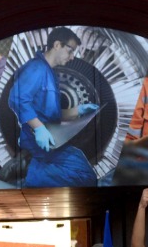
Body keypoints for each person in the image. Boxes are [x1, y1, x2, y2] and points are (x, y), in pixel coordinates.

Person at [6, 26, 98, 187]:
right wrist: (39, 128)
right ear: (57, 45)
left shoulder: (49, 73)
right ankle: (27, 172)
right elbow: (16, 98)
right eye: (70, 51)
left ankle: (30, 169)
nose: (72, 57)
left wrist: (79, 110)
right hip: (38, 140)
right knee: (85, 176)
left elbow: (50, 113)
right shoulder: (37, 68)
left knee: (81, 165)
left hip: (49, 137)